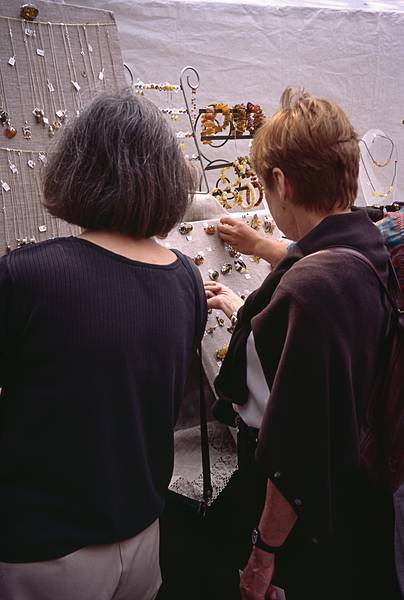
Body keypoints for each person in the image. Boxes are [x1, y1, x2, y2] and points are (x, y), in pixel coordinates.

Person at [0, 92, 206, 600]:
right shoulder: (186, 279)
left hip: (45, 548)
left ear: (77, 168)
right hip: (142, 536)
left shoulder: (28, 277)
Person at [205, 87, 400, 599]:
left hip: (315, 527)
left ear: (282, 182)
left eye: (263, 188)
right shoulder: (365, 242)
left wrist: (262, 554)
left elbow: (298, 449)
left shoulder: (313, 288)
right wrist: (240, 307)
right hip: (357, 502)